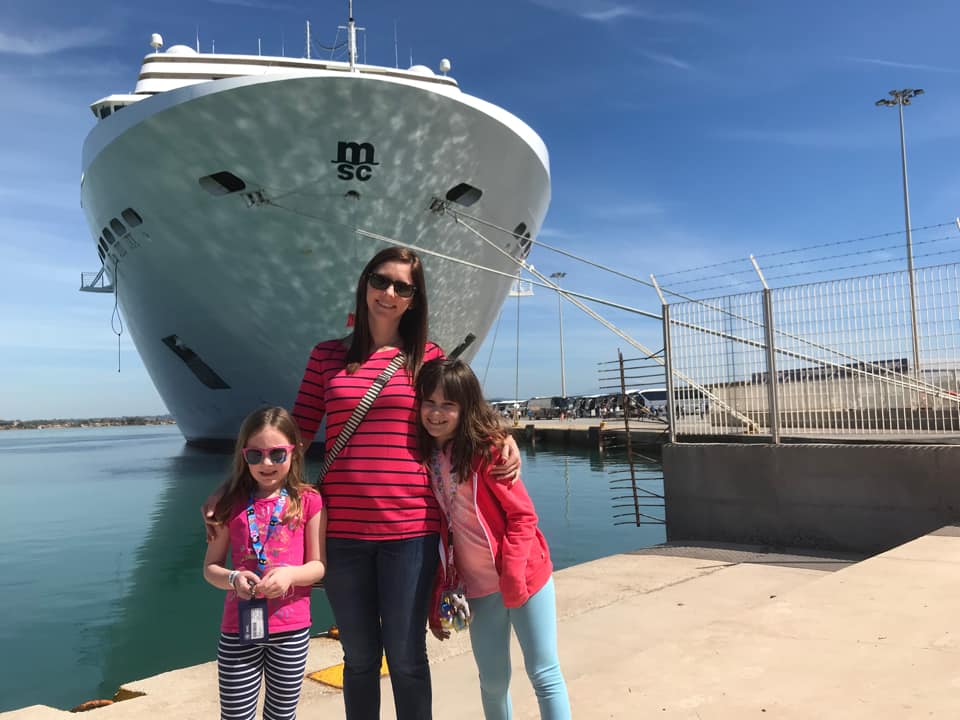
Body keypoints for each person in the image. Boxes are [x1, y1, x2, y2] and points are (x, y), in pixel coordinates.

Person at [288, 245, 521, 720]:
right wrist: (237, 488)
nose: (388, 292)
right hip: (342, 533)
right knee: (357, 660)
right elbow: (295, 433)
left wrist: (503, 438)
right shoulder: (326, 357)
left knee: (408, 658)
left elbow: (460, 414)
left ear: (413, 299)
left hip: (410, 530)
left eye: (402, 286)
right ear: (364, 284)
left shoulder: (427, 358)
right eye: (380, 280)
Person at [416, 358, 571, 720]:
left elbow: (523, 516)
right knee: (492, 681)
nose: (436, 413)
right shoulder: (427, 457)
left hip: (525, 578)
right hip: (478, 589)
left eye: (448, 404)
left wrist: (514, 575)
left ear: (465, 407)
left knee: (544, 673)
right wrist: (439, 593)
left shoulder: (488, 452)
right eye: (429, 402)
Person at [203, 406, 327, 720]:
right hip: (238, 629)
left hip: (291, 630)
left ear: (294, 452)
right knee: (235, 715)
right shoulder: (228, 503)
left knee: (282, 715)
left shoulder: (309, 501)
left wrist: (290, 575)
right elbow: (211, 567)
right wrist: (233, 578)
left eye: (276, 454)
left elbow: (318, 565)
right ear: (243, 456)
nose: (266, 463)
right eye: (255, 455)